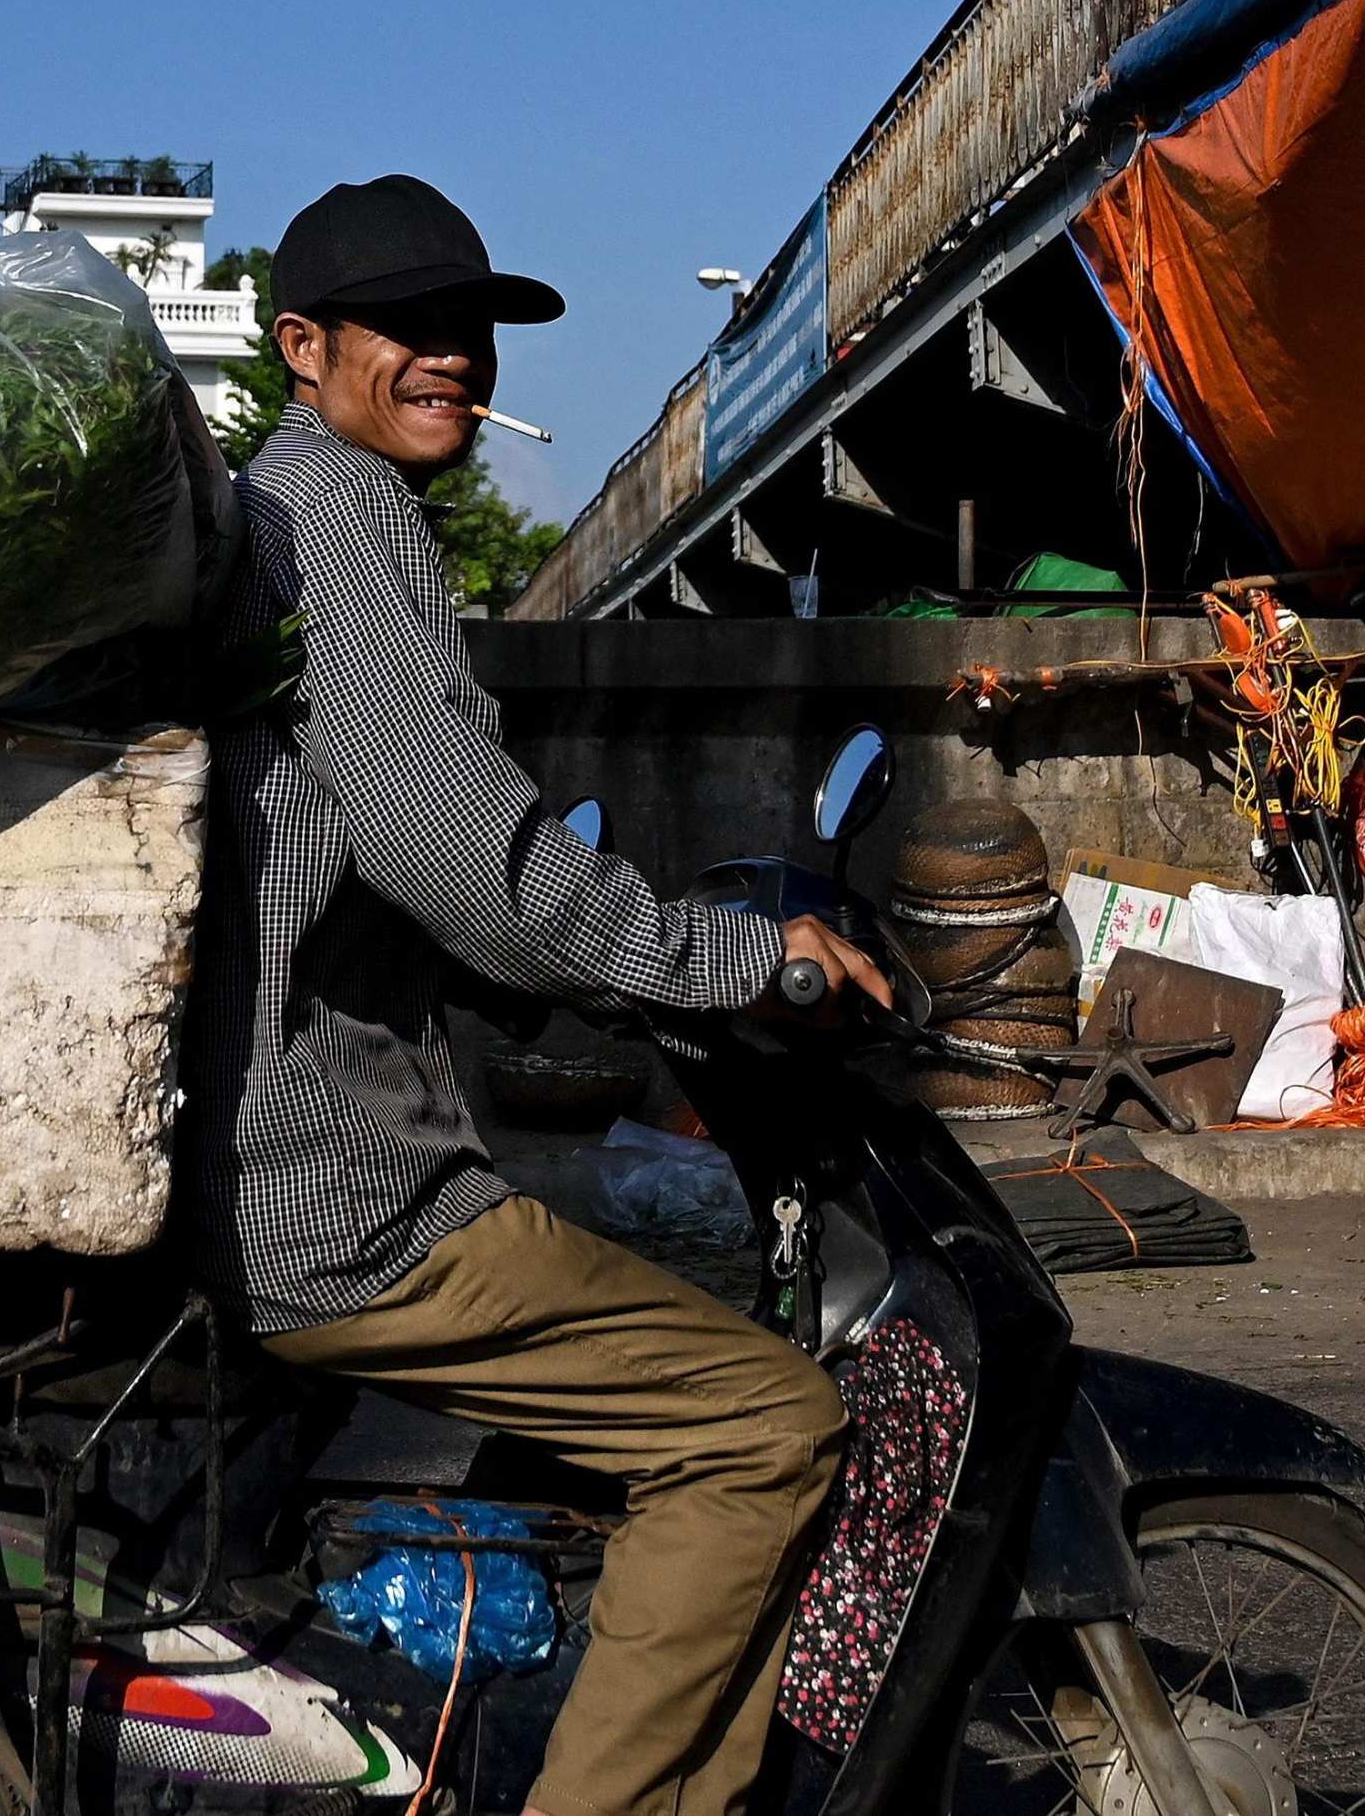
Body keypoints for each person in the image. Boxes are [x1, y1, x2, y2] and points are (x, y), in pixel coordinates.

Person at [183, 173, 890, 1816]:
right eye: (408, 331)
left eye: (471, 333)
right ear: (303, 346)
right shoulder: (332, 520)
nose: (453, 361)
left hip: (293, 1148)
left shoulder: (311, 514)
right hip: (334, 1192)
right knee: (760, 1423)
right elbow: (471, 858)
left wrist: (559, 988)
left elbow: (368, 860)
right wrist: (738, 958)